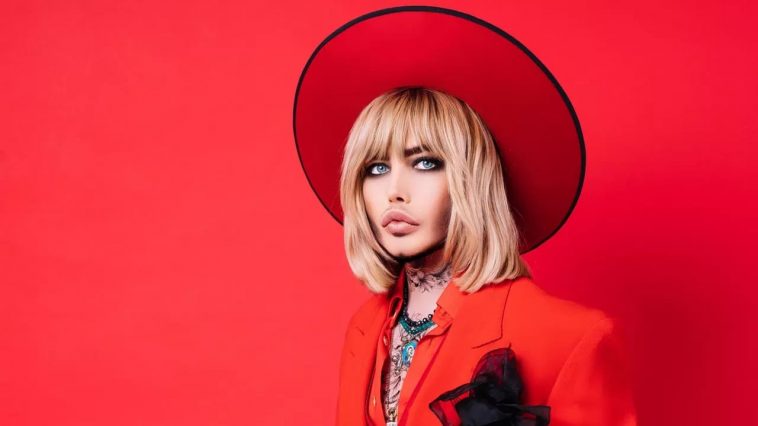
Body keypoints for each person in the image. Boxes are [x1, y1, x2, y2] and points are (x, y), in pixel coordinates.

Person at [293, 7, 638, 425]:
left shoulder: (570, 338)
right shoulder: (364, 328)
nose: (394, 191)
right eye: (376, 168)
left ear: (470, 180)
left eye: (425, 163)